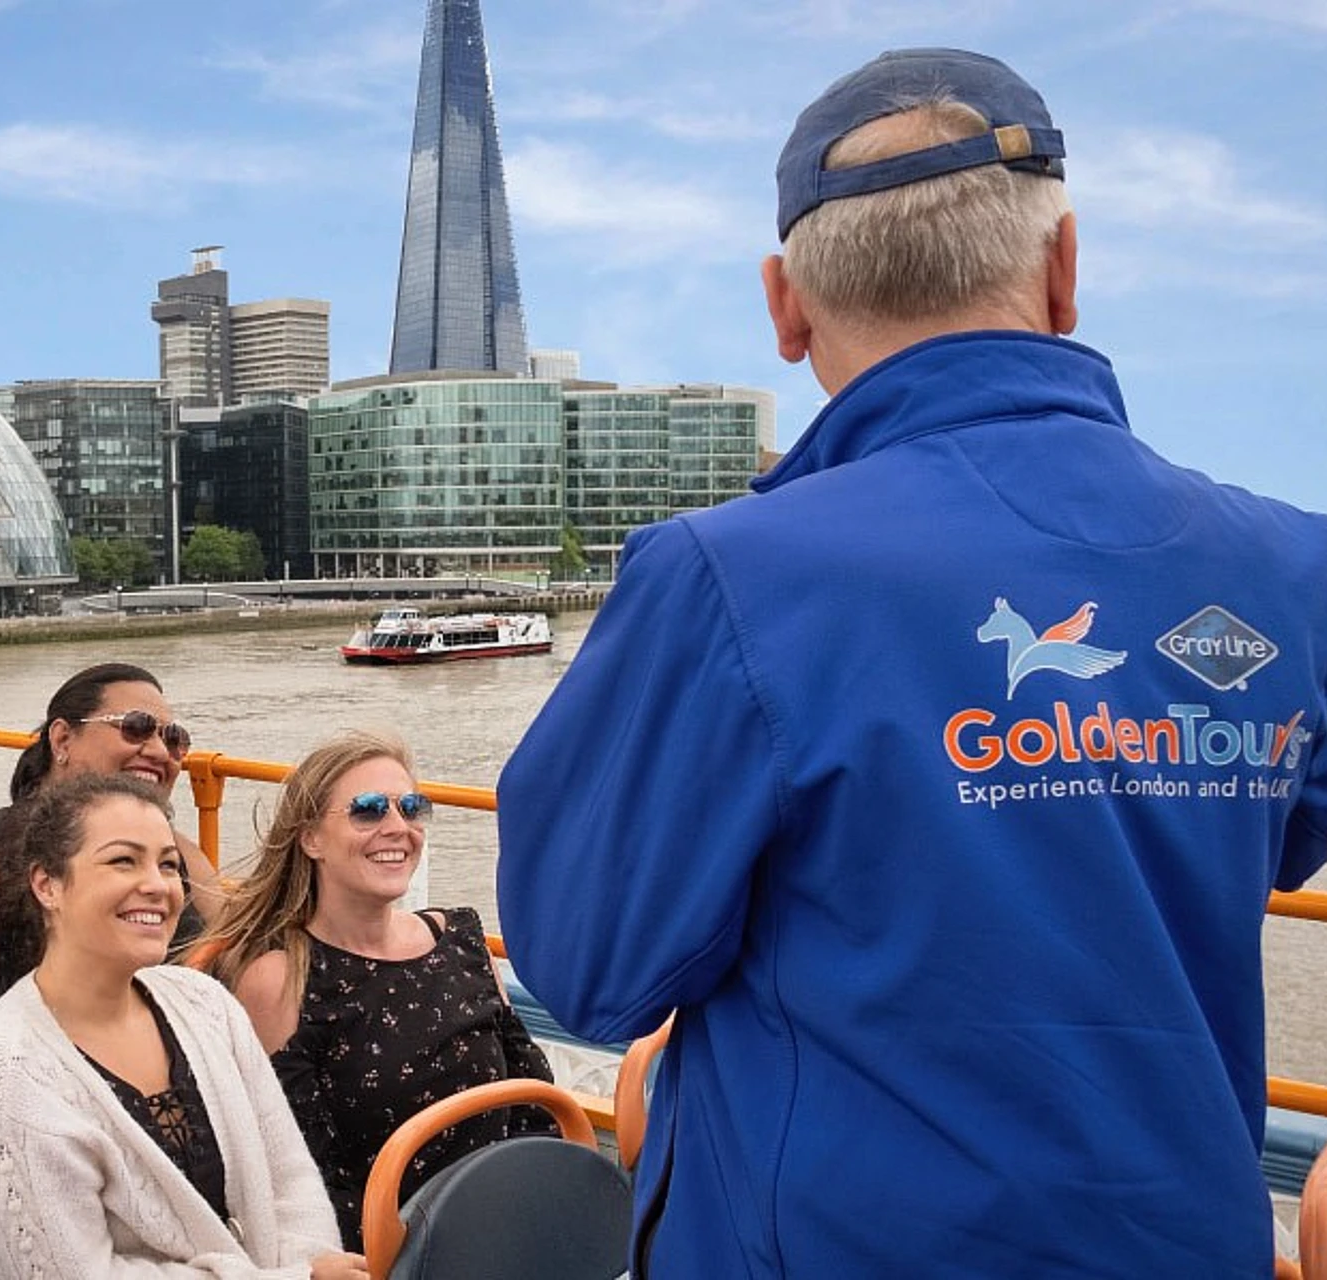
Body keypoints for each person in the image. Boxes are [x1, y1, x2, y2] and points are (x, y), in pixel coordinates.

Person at [496, 47, 1327, 1278]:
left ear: (785, 305)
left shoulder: (730, 575)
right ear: (1064, 269)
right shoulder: (1293, 567)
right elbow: (1268, 838)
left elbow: (590, 963)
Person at [0, 773, 365, 1279]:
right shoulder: (2, 1072)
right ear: (47, 884)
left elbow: (289, 1177)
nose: (158, 886)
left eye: (167, 864)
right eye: (123, 860)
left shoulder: (204, 1003)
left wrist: (311, 1263)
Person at [199, 731, 553, 1252]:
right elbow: (308, 1180)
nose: (398, 828)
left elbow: (534, 1106)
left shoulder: (460, 941)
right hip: (390, 1254)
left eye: (412, 807)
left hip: (507, 1227)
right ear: (310, 838)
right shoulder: (282, 979)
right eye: (367, 810)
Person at [0, 661, 222, 1069]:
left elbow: (237, 968)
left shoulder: (184, 855)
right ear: (63, 739)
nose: (159, 752)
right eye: (135, 727)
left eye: (174, 739)